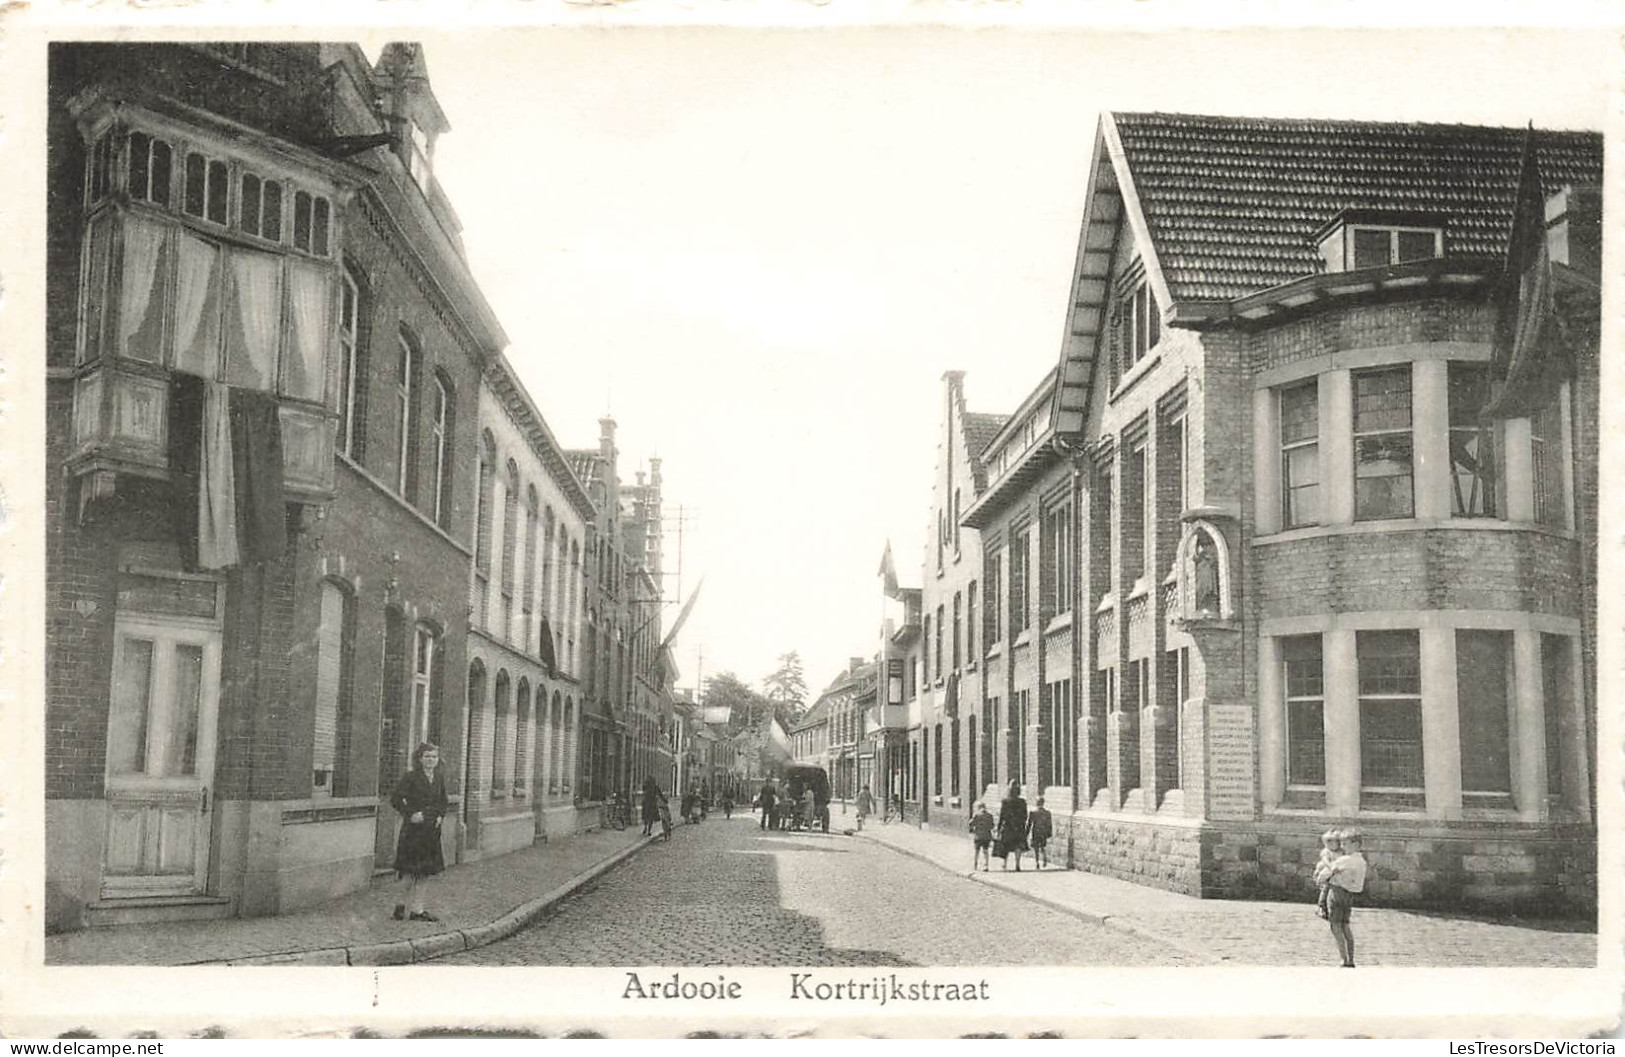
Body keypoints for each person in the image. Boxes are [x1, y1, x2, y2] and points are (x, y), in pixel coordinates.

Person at [390, 742, 448, 922]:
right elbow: (396, 799)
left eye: (434, 757)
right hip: (414, 831)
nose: (431, 760)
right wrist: (410, 814)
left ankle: (417, 910)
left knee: (424, 872)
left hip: (431, 831)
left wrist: (440, 816)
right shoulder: (411, 777)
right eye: (427, 756)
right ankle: (399, 906)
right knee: (409, 871)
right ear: (420, 758)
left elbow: (443, 800)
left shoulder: (438, 777)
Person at [1315, 829, 1368, 967]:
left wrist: (1324, 863)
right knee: (1345, 925)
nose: (1342, 846)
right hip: (1349, 895)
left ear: (1356, 845)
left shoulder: (1345, 860)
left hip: (1337, 892)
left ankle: (1344, 958)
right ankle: (1350, 958)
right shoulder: (1361, 861)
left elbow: (1325, 874)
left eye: (1345, 843)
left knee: (1335, 925)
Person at [995, 780, 1029, 872]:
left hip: (1008, 826)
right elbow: (1025, 815)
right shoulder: (1022, 802)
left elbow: (1002, 816)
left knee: (1005, 845)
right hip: (1019, 826)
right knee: (1018, 846)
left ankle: (1004, 864)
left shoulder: (1005, 801)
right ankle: (1017, 864)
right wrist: (1022, 824)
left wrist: (998, 828)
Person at [1314, 828, 1343, 920]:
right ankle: (1322, 907)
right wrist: (1331, 866)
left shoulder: (1341, 852)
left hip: (1336, 874)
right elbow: (1325, 860)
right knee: (1325, 889)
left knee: (1336, 891)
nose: (1330, 844)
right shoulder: (1326, 852)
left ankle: (1335, 909)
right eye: (1328, 842)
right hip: (1325, 873)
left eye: (1333, 842)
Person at [1027, 796, 1053, 869]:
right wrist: (1049, 833)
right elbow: (1049, 824)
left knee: (1036, 848)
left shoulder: (1033, 812)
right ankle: (1044, 858)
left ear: (1036, 803)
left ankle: (1037, 862)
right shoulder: (1047, 813)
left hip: (1035, 832)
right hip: (1043, 832)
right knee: (1042, 847)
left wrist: (1026, 833)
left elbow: (1029, 823)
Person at [969, 802, 995, 871]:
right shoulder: (989, 816)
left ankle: (975, 865)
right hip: (987, 836)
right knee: (985, 851)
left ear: (978, 807)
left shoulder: (976, 815)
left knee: (977, 851)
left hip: (978, 836)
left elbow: (970, 823)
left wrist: (974, 828)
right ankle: (986, 865)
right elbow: (992, 826)